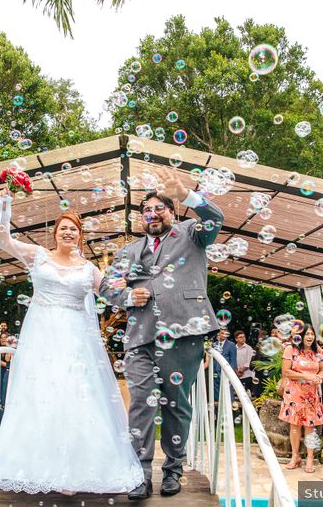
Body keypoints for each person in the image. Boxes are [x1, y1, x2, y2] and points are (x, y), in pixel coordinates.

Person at [0, 190, 143, 496]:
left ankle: (74, 470)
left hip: (76, 341)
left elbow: (110, 294)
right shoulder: (37, 256)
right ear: (55, 234)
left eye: (74, 229)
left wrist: (132, 297)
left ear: (79, 236)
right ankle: (38, 466)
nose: (68, 232)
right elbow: (3, 239)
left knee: (76, 397)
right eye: (63, 228)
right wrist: (4, 205)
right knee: (40, 395)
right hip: (41, 338)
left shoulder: (88, 269)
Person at [99, 166, 224, 500]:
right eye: (146, 211)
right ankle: (139, 474)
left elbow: (215, 217)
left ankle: (173, 470)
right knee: (140, 403)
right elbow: (107, 286)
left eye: (159, 209)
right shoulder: (128, 251)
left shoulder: (192, 234)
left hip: (184, 332)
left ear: (171, 212)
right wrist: (126, 296)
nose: (151, 214)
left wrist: (187, 195)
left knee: (176, 404)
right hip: (140, 336)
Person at [279, 325, 323, 473]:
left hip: (311, 395)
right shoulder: (290, 349)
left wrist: (320, 377)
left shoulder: (317, 351)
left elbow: (322, 369)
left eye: (312, 334)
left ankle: (310, 458)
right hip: (295, 393)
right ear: (300, 336)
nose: (310, 337)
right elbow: (286, 371)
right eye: (307, 334)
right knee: (295, 425)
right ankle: (295, 456)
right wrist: (306, 376)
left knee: (310, 427)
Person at [209, 328, 238, 405]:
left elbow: (233, 360)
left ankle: (230, 409)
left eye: (224, 333)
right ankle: (217, 410)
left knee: (227, 391)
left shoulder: (231, 345)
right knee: (216, 392)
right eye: (221, 333)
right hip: (215, 371)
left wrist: (230, 373)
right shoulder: (213, 345)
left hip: (225, 372)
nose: (223, 335)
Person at [234, 330, 256, 397]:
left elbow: (248, 362)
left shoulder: (249, 348)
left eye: (244, 337)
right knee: (237, 394)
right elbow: (232, 361)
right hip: (235, 374)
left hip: (247, 375)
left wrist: (241, 370)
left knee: (246, 394)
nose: (243, 338)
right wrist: (236, 371)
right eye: (240, 337)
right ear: (236, 339)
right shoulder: (233, 348)